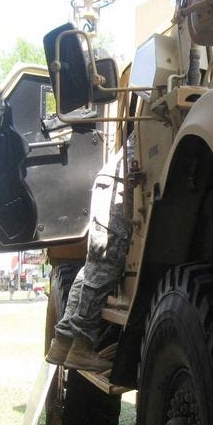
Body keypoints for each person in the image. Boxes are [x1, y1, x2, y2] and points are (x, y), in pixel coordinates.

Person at [46, 143, 132, 372]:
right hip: (121, 184)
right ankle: (81, 346)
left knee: (92, 267)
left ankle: (63, 342)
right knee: (105, 263)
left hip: (114, 180)